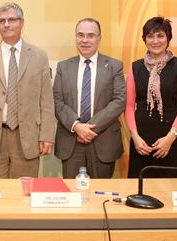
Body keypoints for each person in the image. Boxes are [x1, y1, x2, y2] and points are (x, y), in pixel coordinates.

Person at [0, 2, 55, 178]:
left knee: (26, 194)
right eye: (1, 21)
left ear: (22, 22)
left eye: (12, 20)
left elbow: (46, 100)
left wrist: (47, 135)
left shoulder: (39, 56)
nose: (6, 24)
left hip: (28, 138)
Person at [53, 18, 126, 178]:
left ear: (99, 39)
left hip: (103, 139)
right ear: (76, 38)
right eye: (80, 35)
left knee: (99, 195)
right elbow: (57, 102)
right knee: (73, 193)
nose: (85, 40)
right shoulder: (63, 67)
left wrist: (89, 128)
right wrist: (77, 126)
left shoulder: (114, 66)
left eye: (91, 35)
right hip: (71, 140)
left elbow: (119, 101)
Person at [125, 17, 177, 178]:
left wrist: (170, 138)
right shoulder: (135, 67)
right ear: (145, 39)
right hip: (142, 142)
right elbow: (128, 106)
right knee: (140, 191)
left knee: (173, 192)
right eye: (150, 36)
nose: (155, 41)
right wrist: (135, 138)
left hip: (173, 140)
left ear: (168, 39)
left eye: (160, 35)